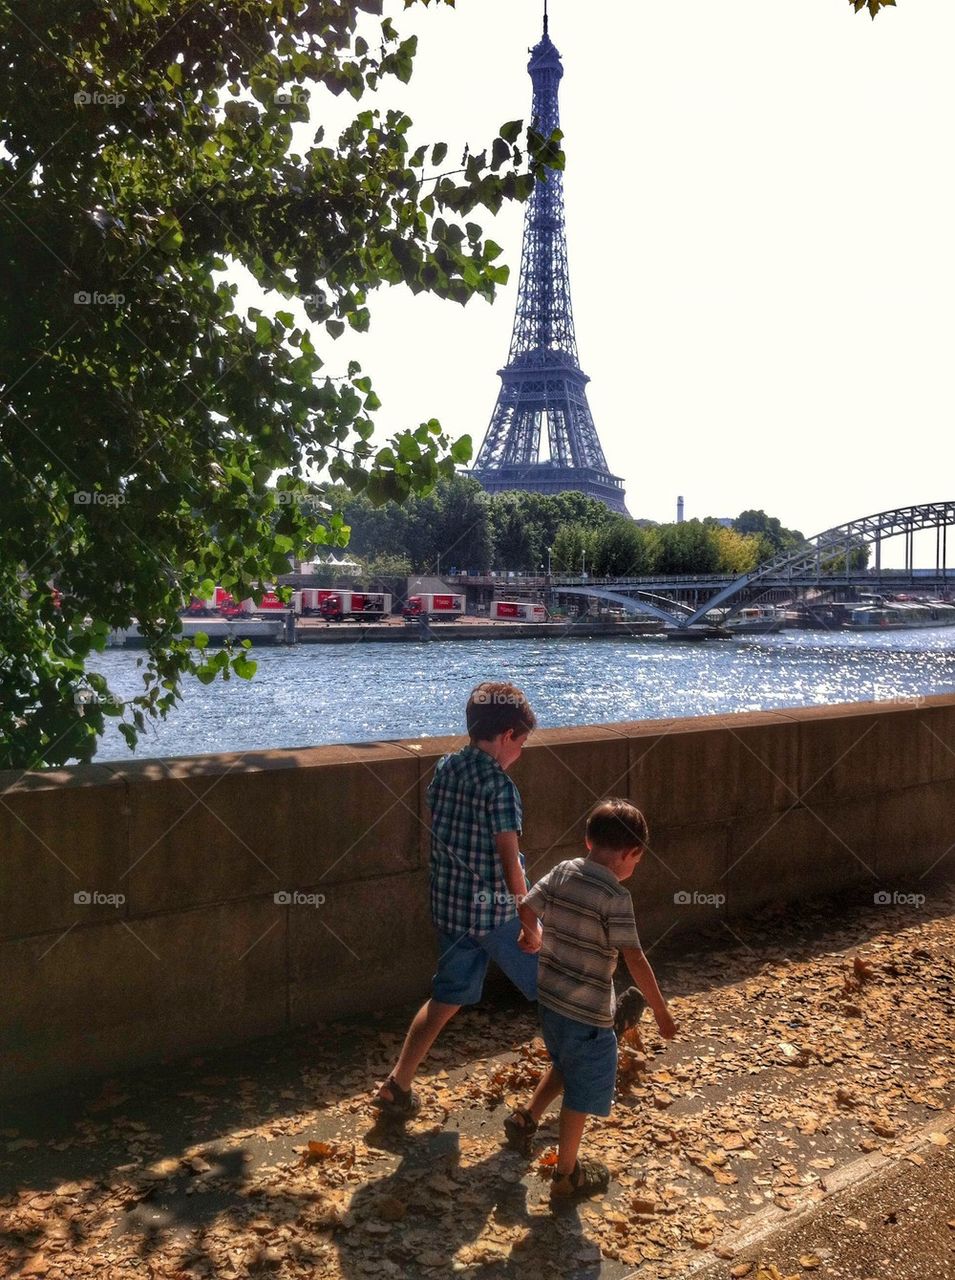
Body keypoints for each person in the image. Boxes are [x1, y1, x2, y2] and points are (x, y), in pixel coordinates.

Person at [372, 680, 540, 1119]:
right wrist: (529, 919)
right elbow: (509, 863)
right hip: (494, 912)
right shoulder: (501, 788)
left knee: (445, 998)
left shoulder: (446, 768)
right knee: (556, 983)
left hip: (450, 907)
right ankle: (592, 1049)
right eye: (521, 743)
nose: (520, 753)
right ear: (507, 737)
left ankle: (398, 1084)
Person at [512, 798, 677, 1199]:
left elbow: (525, 904)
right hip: (587, 1011)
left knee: (566, 1061)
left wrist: (530, 934)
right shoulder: (615, 898)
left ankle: (526, 1119)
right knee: (582, 1091)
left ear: (588, 839)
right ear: (631, 853)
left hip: (550, 1000)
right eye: (637, 861)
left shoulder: (563, 871)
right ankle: (567, 1174)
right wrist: (661, 1010)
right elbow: (633, 957)